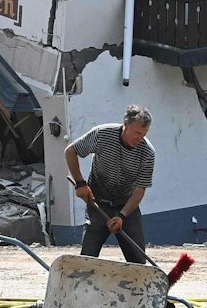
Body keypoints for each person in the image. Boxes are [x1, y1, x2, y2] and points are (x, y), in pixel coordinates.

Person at [64, 105, 155, 264]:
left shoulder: (147, 153)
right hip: (97, 203)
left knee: (138, 261)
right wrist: (80, 183)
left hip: (127, 207)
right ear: (125, 125)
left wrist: (121, 216)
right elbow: (71, 151)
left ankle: (139, 288)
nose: (140, 139)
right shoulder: (103, 134)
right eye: (137, 133)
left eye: (144, 135)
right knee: (87, 257)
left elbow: (139, 191)